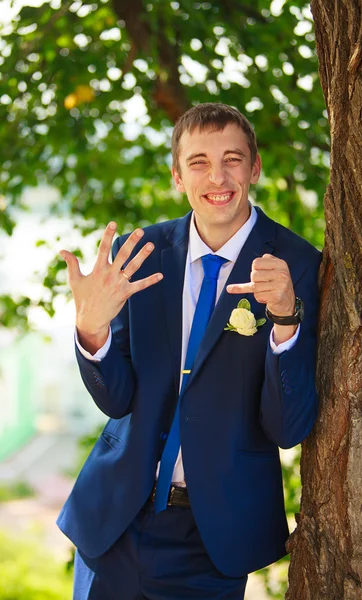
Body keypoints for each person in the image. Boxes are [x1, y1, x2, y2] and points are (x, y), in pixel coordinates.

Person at [57, 102, 321, 600]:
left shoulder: (299, 265)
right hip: (114, 523)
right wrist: (91, 332)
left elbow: (288, 428)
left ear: (255, 167)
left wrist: (286, 316)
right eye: (198, 162)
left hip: (213, 540)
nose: (217, 176)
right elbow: (117, 399)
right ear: (178, 176)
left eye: (233, 159)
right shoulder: (140, 253)